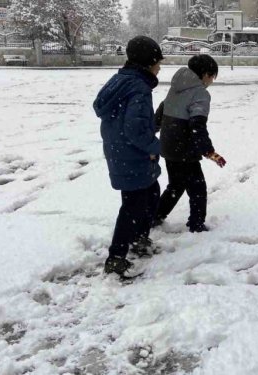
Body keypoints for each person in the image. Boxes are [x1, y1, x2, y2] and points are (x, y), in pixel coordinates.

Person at [93, 36, 164, 277]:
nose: (160, 67)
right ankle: (116, 257)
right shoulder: (139, 87)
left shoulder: (120, 80)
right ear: (148, 62)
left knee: (151, 194)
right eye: (158, 62)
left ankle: (139, 238)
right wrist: (155, 146)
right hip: (133, 154)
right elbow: (136, 128)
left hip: (120, 151)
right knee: (133, 205)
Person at [154, 54, 226, 233]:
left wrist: (151, 130)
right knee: (198, 189)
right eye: (212, 77)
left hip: (169, 146)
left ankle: (155, 216)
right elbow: (197, 125)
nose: (211, 81)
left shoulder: (176, 87)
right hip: (185, 149)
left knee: (176, 185)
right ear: (205, 74)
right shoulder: (200, 93)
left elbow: (161, 113)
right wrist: (209, 151)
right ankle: (196, 224)